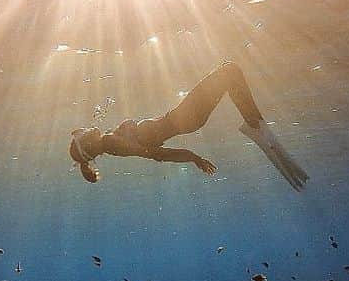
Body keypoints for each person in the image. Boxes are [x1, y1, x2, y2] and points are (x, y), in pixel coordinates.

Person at [69, 61, 308, 190]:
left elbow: (152, 152)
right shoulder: (112, 143)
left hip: (185, 118)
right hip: (185, 117)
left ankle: (253, 125)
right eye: (84, 133)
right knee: (229, 71)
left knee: (230, 75)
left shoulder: (112, 142)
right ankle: (254, 125)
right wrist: (192, 157)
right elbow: (155, 154)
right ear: (88, 143)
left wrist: (191, 157)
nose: (88, 128)